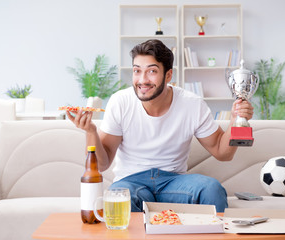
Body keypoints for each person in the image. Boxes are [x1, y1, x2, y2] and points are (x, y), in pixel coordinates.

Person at [67, 39, 254, 212]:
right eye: (137, 70)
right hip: (130, 182)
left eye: (152, 71)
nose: (142, 80)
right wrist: (90, 131)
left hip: (174, 182)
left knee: (212, 189)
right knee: (119, 198)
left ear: (168, 75)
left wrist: (235, 121)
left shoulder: (192, 104)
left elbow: (223, 153)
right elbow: (101, 164)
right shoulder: (120, 102)